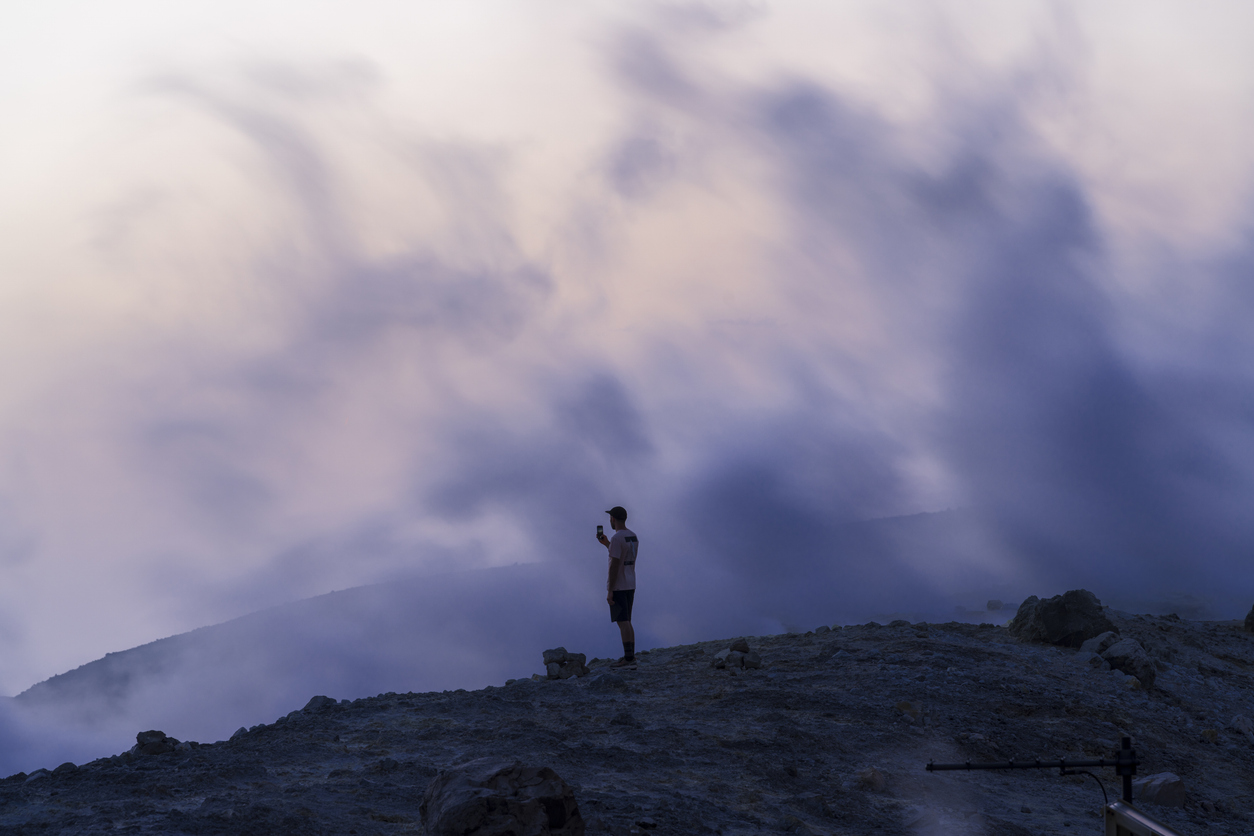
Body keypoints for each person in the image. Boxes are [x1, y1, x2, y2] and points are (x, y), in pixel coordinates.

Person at [597, 506, 638, 669]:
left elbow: (614, 565)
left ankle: (628, 660)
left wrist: (610, 590)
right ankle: (631, 656)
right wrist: (606, 543)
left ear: (612, 519)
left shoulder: (617, 538)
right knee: (627, 621)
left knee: (623, 622)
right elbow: (623, 556)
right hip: (630, 583)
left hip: (619, 585)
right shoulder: (632, 536)